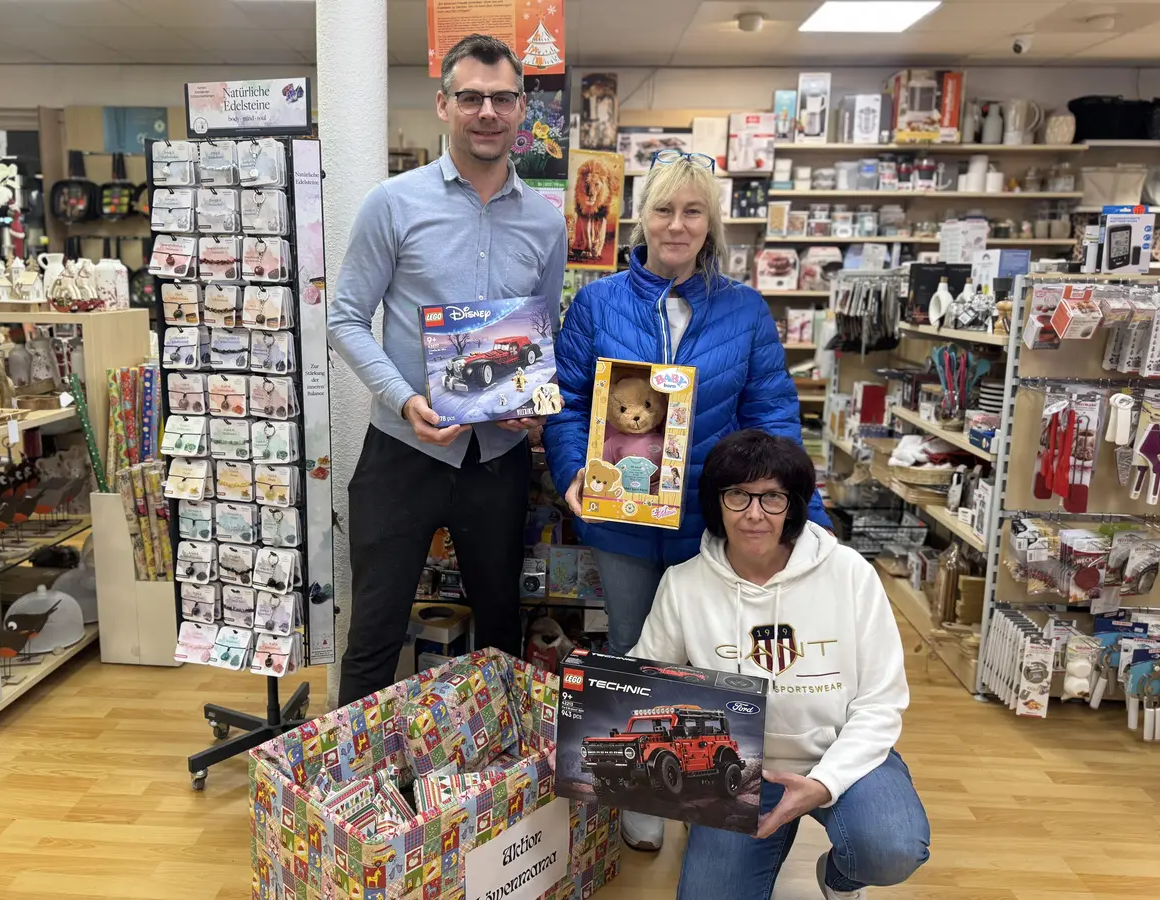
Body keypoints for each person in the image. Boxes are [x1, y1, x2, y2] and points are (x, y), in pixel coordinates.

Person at [542, 149, 830, 849]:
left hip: (712, 520)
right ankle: (642, 797)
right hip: (621, 518)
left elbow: (773, 416)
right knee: (633, 646)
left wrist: (803, 515)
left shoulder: (745, 309)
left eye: (693, 211)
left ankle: (706, 793)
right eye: (665, 209)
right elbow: (566, 400)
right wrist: (572, 468)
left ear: (711, 223)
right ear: (643, 217)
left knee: (712, 656)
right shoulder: (598, 302)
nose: (677, 225)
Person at [326, 34, 569, 705]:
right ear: (444, 105)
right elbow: (345, 318)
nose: (487, 112)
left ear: (521, 110)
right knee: (373, 634)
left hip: (498, 459)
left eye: (502, 99)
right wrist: (403, 399)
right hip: (402, 452)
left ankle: (496, 766)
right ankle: (358, 770)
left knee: (501, 633)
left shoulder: (546, 224)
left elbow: (539, 333)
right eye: (471, 98)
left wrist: (528, 399)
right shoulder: (392, 203)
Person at [632, 430, 929, 900]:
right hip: (739, 769)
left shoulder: (851, 573)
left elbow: (881, 701)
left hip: (841, 751)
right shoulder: (684, 584)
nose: (754, 514)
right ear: (716, 502)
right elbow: (645, 677)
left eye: (772, 497)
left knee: (891, 848)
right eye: (738, 495)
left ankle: (840, 879)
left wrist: (825, 782)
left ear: (793, 506)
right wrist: (584, 708)